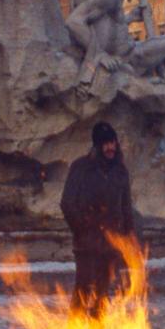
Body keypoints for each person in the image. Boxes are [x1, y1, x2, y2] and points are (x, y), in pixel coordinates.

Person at [60, 121, 137, 315]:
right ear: (97, 145)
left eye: (113, 142)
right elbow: (67, 203)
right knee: (82, 292)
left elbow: (126, 207)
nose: (111, 147)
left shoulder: (120, 171)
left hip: (111, 244)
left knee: (103, 296)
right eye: (106, 143)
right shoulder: (81, 168)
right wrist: (82, 228)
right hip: (87, 244)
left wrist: (128, 238)